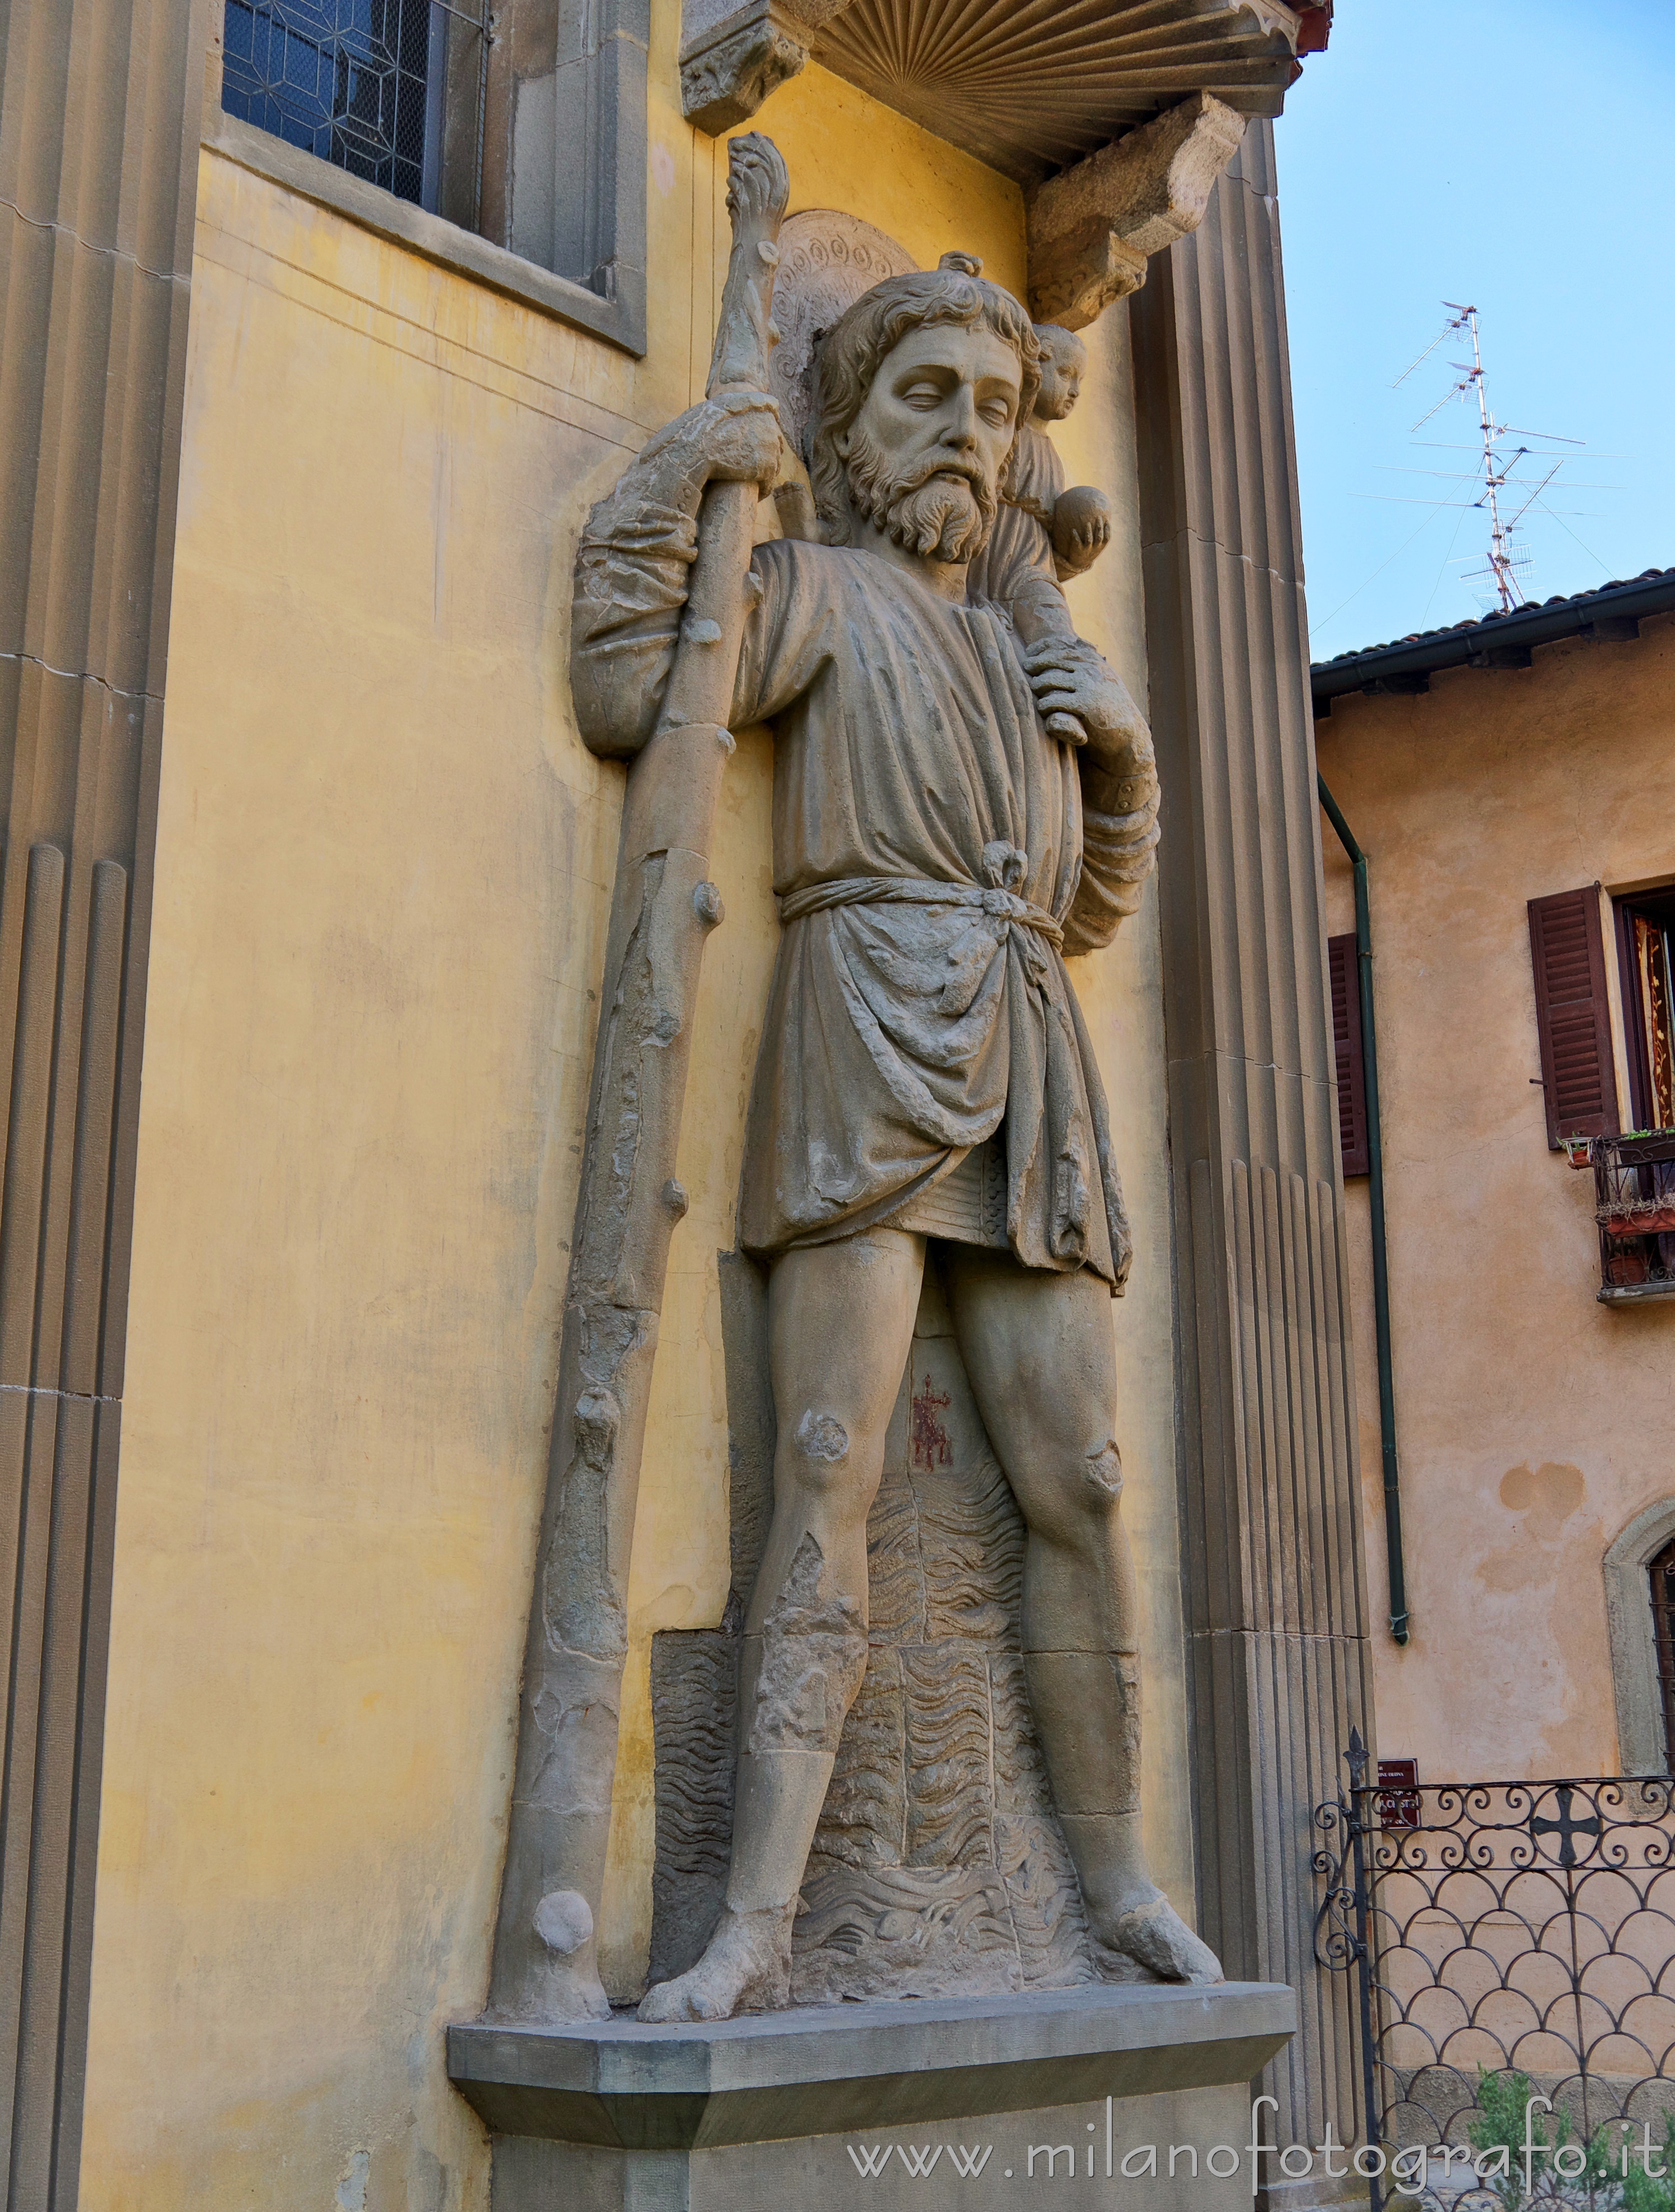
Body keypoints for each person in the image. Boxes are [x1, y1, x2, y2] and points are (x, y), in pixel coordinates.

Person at [571, 257, 1221, 2022]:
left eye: (996, 406)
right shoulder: (820, 591)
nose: (966, 430)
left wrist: (1126, 768)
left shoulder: (1032, 654)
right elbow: (639, 685)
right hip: (857, 1010)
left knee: (1077, 1483)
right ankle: (758, 1927)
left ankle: (1115, 1880)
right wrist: (686, 468)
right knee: (824, 1466)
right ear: (851, 431)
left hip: (1023, 1040)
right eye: (922, 392)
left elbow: (1082, 909)